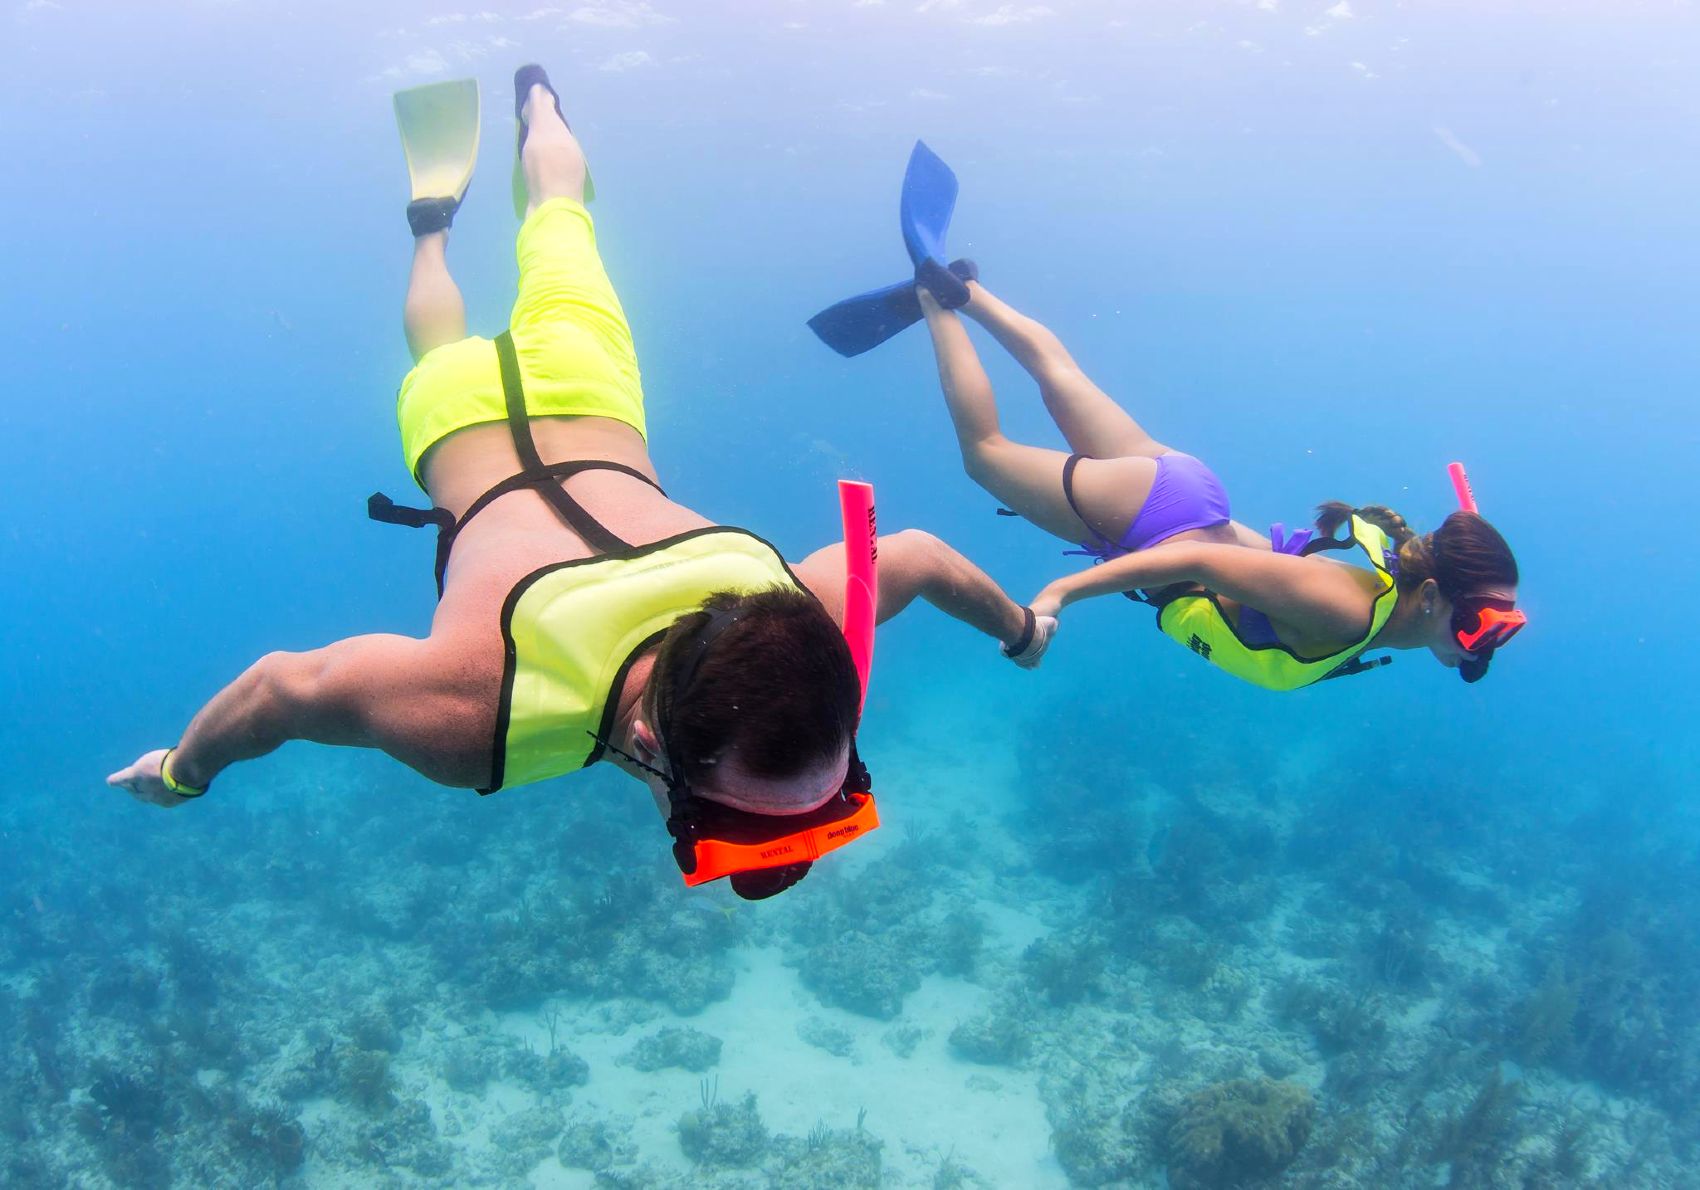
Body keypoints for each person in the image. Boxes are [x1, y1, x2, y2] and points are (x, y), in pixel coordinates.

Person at [107, 68, 1049, 899]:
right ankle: (431, 230)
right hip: (455, 425)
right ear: (647, 749)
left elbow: (918, 558)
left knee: (561, 219)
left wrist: (1022, 631)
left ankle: (540, 105)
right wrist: (180, 774)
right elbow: (279, 689)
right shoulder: (480, 720)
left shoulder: (798, 614)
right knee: (438, 342)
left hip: (589, 387)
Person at [809, 141, 1525, 691]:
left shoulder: (1366, 600)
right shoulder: (1347, 611)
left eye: (1498, 630)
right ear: (1432, 595)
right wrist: (1061, 593)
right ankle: (937, 299)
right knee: (985, 453)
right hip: (1155, 522)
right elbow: (1199, 559)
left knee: (1062, 378)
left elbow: (1241, 555)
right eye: (1481, 623)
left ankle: (967, 292)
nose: (1484, 642)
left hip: (1183, 491)